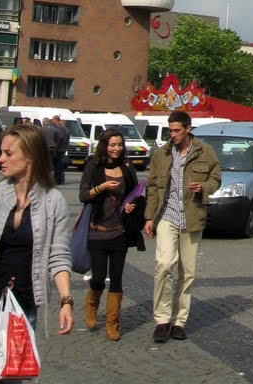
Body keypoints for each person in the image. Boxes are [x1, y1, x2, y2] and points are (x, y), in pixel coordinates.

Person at [144, 111, 221, 342]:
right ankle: (162, 319)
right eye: (170, 131)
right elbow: (152, 187)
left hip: (192, 216)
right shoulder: (162, 153)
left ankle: (179, 321)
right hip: (166, 215)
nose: (173, 135)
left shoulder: (205, 152)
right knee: (164, 265)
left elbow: (216, 179)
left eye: (177, 130)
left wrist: (204, 187)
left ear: (188, 129)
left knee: (187, 273)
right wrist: (149, 217)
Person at [0, 122, 74, 334]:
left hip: (23, 302)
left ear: (30, 156)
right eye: (1, 152)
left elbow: (59, 255)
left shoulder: (53, 202)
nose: (0, 159)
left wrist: (66, 300)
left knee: (17, 367)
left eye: (8, 153)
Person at [79, 128, 144, 340]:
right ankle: (91, 306)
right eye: (112, 145)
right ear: (104, 145)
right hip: (97, 231)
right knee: (98, 277)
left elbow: (134, 195)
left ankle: (112, 322)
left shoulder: (127, 167)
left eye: (120, 145)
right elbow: (83, 195)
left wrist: (130, 206)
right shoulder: (93, 166)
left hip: (119, 232)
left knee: (116, 278)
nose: (117, 149)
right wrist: (102, 187)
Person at [52, 115, 70, 185]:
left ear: (56, 120)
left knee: (58, 165)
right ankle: (61, 179)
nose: (52, 121)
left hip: (59, 149)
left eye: (53, 120)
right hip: (63, 148)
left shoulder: (59, 128)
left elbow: (59, 138)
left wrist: (56, 148)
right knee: (60, 165)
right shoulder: (65, 128)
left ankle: (58, 180)